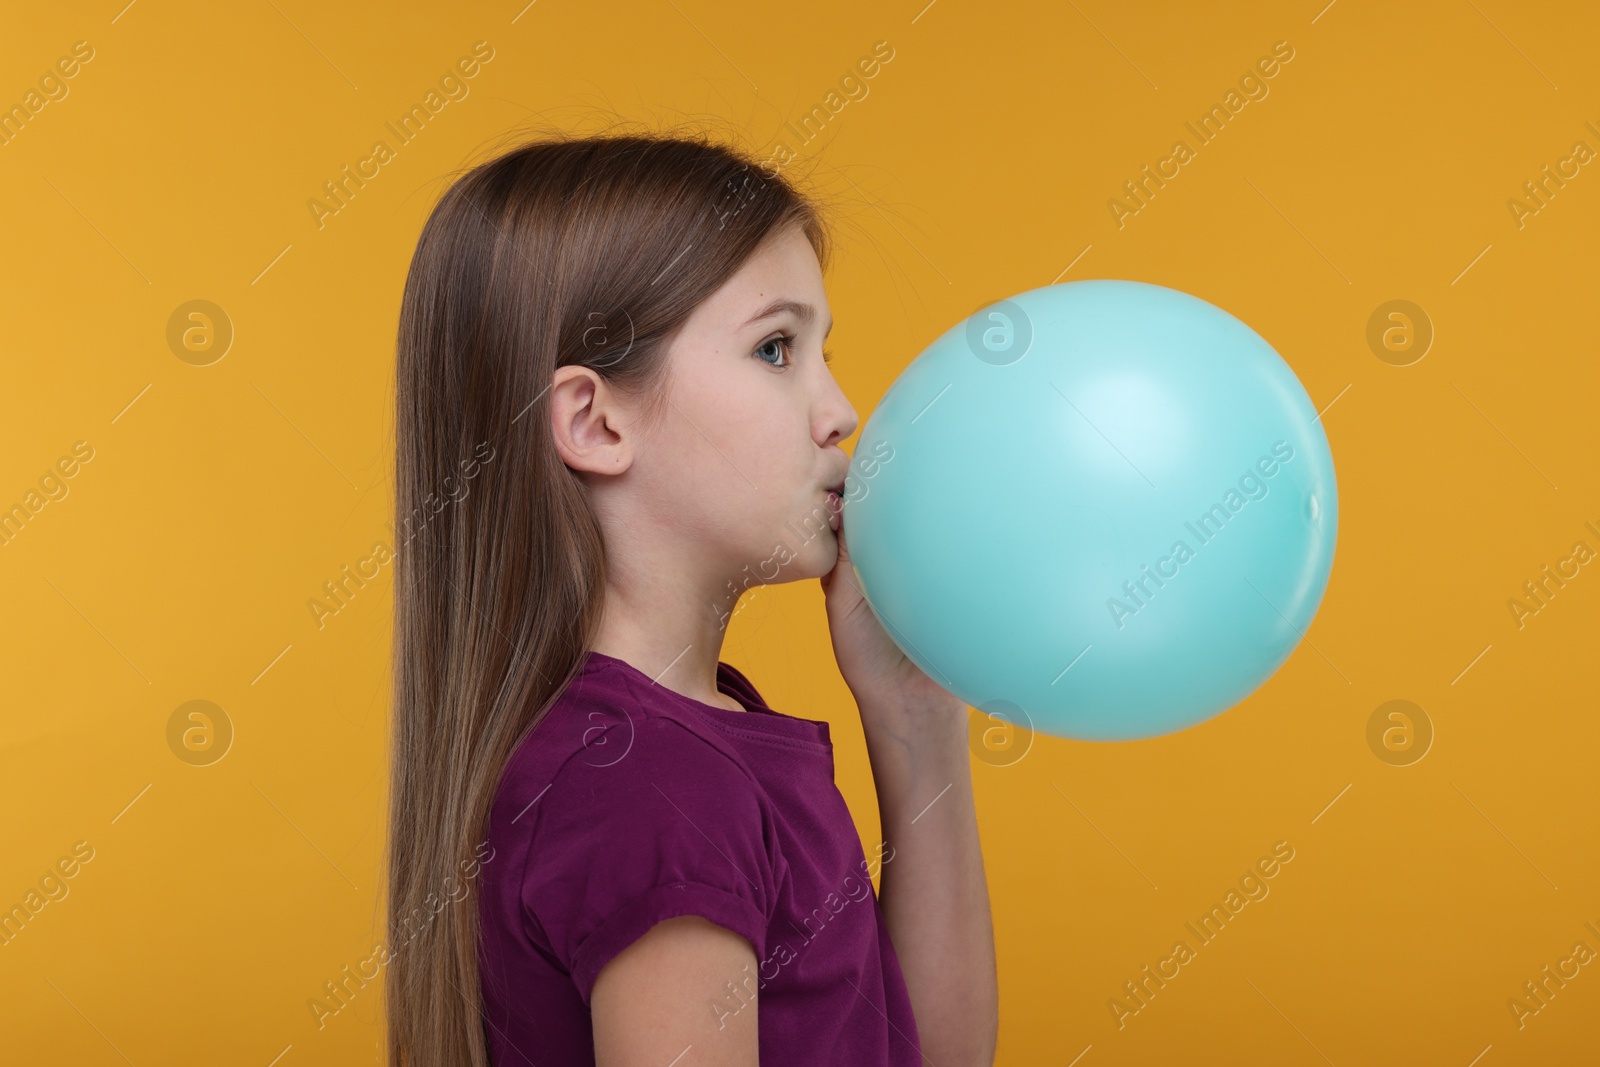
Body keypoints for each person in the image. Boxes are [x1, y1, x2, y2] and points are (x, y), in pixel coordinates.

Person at [386, 128, 997, 1067]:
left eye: (824, 348)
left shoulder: (682, 745)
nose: (840, 411)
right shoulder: (656, 791)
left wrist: (917, 717)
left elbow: (931, 1055)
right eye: (776, 348)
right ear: (595, 420)